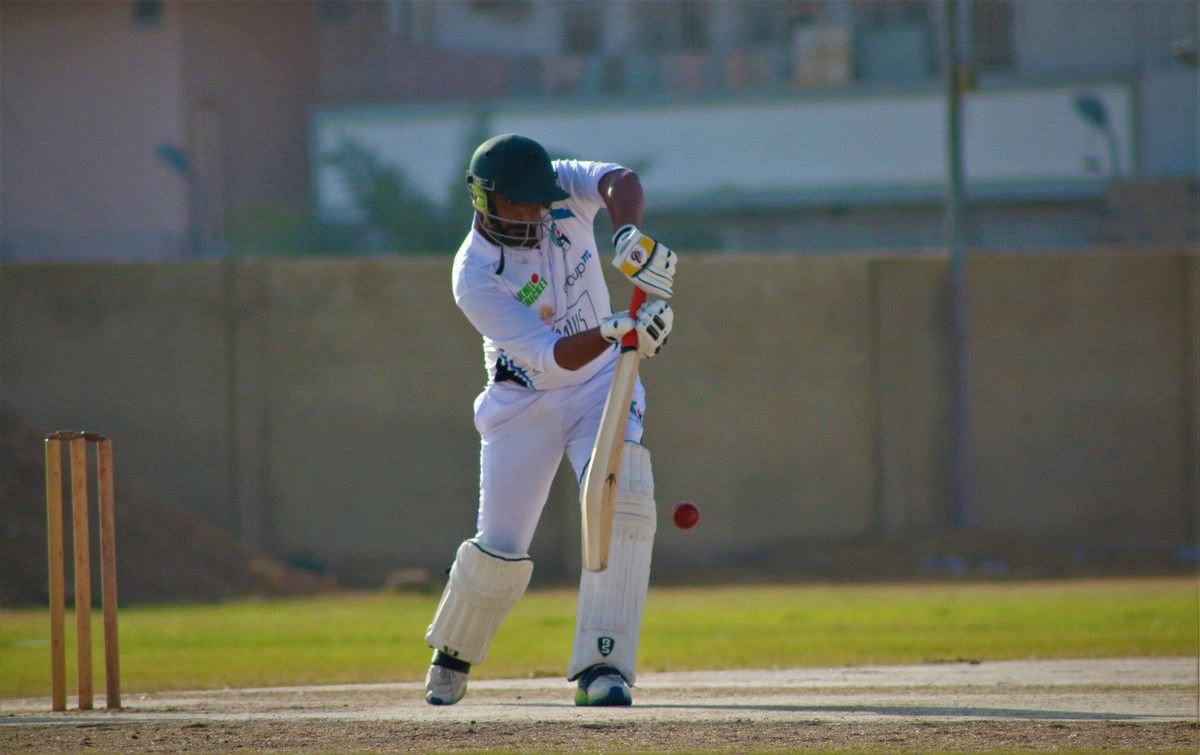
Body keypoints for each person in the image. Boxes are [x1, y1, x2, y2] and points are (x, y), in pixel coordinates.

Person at [423, 133, 677, 707]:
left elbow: (620, 180)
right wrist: (617, 330)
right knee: (501, 545)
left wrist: (627, 234)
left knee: (620, 500)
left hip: (601, 387)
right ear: (484, 199)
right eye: (517, 204)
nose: (532, 213)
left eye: (538, 201)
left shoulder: (557, 187)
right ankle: (455, 650)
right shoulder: (474, 274)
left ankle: (603, 667)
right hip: (524, 402)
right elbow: (549, 357)